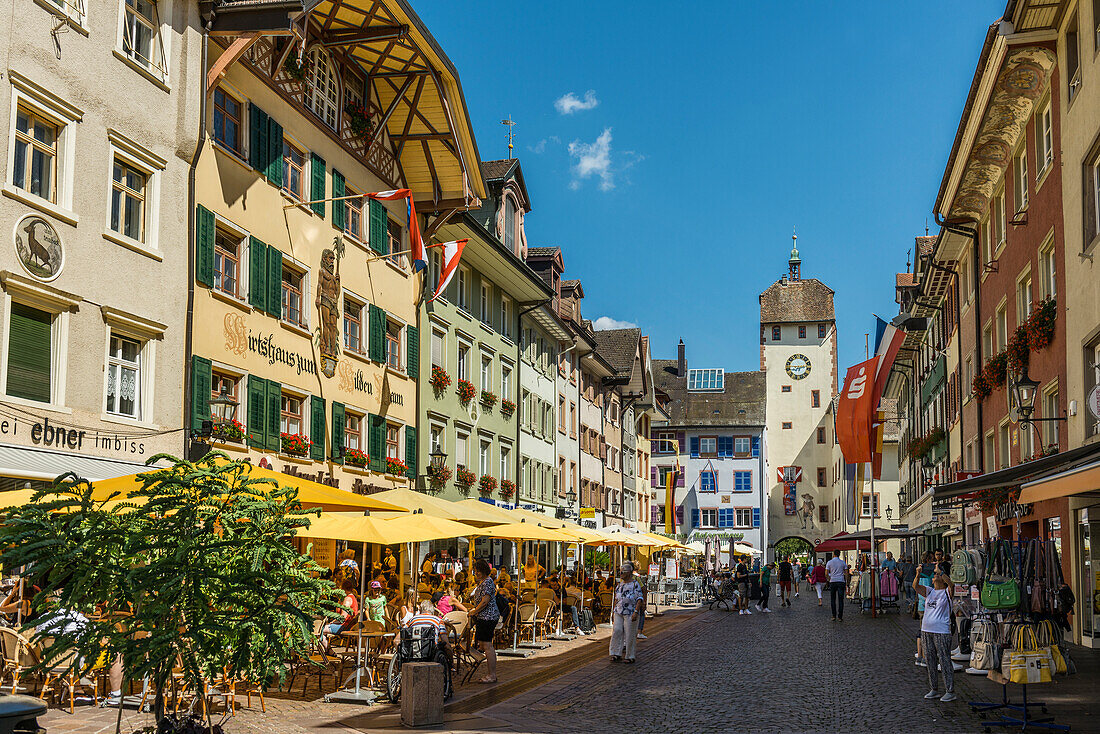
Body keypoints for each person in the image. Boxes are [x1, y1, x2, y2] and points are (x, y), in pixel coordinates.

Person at [914, 567, 956, 702]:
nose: (935, 576)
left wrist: (941, 572)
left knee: (944, 660)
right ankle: (934, 689)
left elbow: (951, 585)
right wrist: (918, 574)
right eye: (934, 575)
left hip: (942, 631)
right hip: (927, 630)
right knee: (930, 660)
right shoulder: (930, 591)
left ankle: (950, 690)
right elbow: (916, 586)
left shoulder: (946, 592)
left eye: (937, 575)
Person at [468, 559, 499, 684]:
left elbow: (485, 600)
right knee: (483, 645)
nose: (476, 573)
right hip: (484, 617)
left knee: (487, 646)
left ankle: (492, 675)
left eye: (477, 571)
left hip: (487, 617)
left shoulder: (487, 582)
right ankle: (490, 673)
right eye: (475, 571)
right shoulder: (483, 582)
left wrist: (475, 611)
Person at [609, 562, 644, 664]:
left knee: (630, 634)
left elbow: (639, 598)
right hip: (618, 611)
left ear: (629, 573)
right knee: (617, 631)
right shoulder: (620, 584)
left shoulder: (635, 584)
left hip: (630, 612)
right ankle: (615, 653)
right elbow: (616, 598)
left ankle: (630, 656)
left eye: (623, 572)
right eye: (620, 571)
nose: (621, 574)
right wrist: (613, 611)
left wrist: (636, 611)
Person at [321, 576, 359, 651]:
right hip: (349, 625)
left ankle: (329, 650)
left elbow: (343, 617)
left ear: (343, 589)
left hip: (344, 626)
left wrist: (332, 622)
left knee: (320, 630)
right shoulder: (352, 597)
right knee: (322, 629)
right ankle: (328, 650)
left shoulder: (347, 600)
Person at [825, 550, 850, 622]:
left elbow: (826, 573)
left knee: (833, 599)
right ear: (839, 554)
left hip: (833, 581)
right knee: (840, 599)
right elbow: (847, 573)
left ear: (833, 554)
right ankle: (840, 616)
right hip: (841, 581)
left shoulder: (829, 562)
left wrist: (829, 579)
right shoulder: (842, 562)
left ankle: (833, 615)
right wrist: (847, 582)